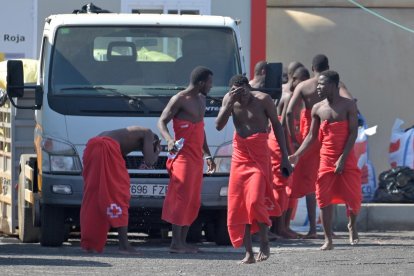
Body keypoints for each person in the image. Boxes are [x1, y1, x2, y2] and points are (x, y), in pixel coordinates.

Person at [216, 75, 292, 264]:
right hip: (240, 156)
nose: (241, 97)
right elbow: (218, 126)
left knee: (255, 200)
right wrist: (229, 103)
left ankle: (265, 241)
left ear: (249, 88)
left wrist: (284, 157)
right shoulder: (229, 99)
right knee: (241, 204)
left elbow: (277, 126)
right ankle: (248, 252)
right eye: (236, 93)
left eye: (243, 93)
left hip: (259, 155)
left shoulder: (263, 99)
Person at [288, 70, 361, 250]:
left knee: (353, 197)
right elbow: (312, 136)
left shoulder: (348, 105)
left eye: (322, 84)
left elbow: (353, 133)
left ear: (334, 86)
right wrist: (298, 154)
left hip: (346, 156)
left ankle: (352, 225)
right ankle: (328, 239)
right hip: (326, 158)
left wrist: (343, 159)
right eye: (318, 84)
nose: (318, 88)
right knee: (323, 197)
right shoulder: (317, 108)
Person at [157, 66, 216, 254]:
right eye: (209, 83)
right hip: (182, 157)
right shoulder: (179, 99)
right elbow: (162, 121)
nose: (211, 86)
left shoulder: (202, 99)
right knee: (180, 198)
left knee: (192, 200)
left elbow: (200, 130)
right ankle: (175, 242)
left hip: (196, 158)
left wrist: (207, 154)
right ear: (201, 83)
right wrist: (168, 140)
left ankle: (182, 242)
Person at [80, 126, 161, 254]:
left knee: (94, 196)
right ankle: (124, 245)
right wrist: (156, 152)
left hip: (91, 147)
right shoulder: (148, 133)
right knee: (119, 195)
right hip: (105, 148)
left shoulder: (124, 135)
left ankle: (91, 243)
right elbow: (150, 161)